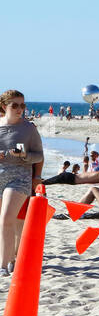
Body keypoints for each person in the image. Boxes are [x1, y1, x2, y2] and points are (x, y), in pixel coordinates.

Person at [0, 90, 43, 276]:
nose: (20, 109)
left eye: (22, 105)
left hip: (19, 178)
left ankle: (2, 266)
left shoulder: (29, 129)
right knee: (5, 223)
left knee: (6, 220)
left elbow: (39, 155)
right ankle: (11, 259)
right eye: (15, 105)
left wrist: (24, 155)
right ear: (4, 106)